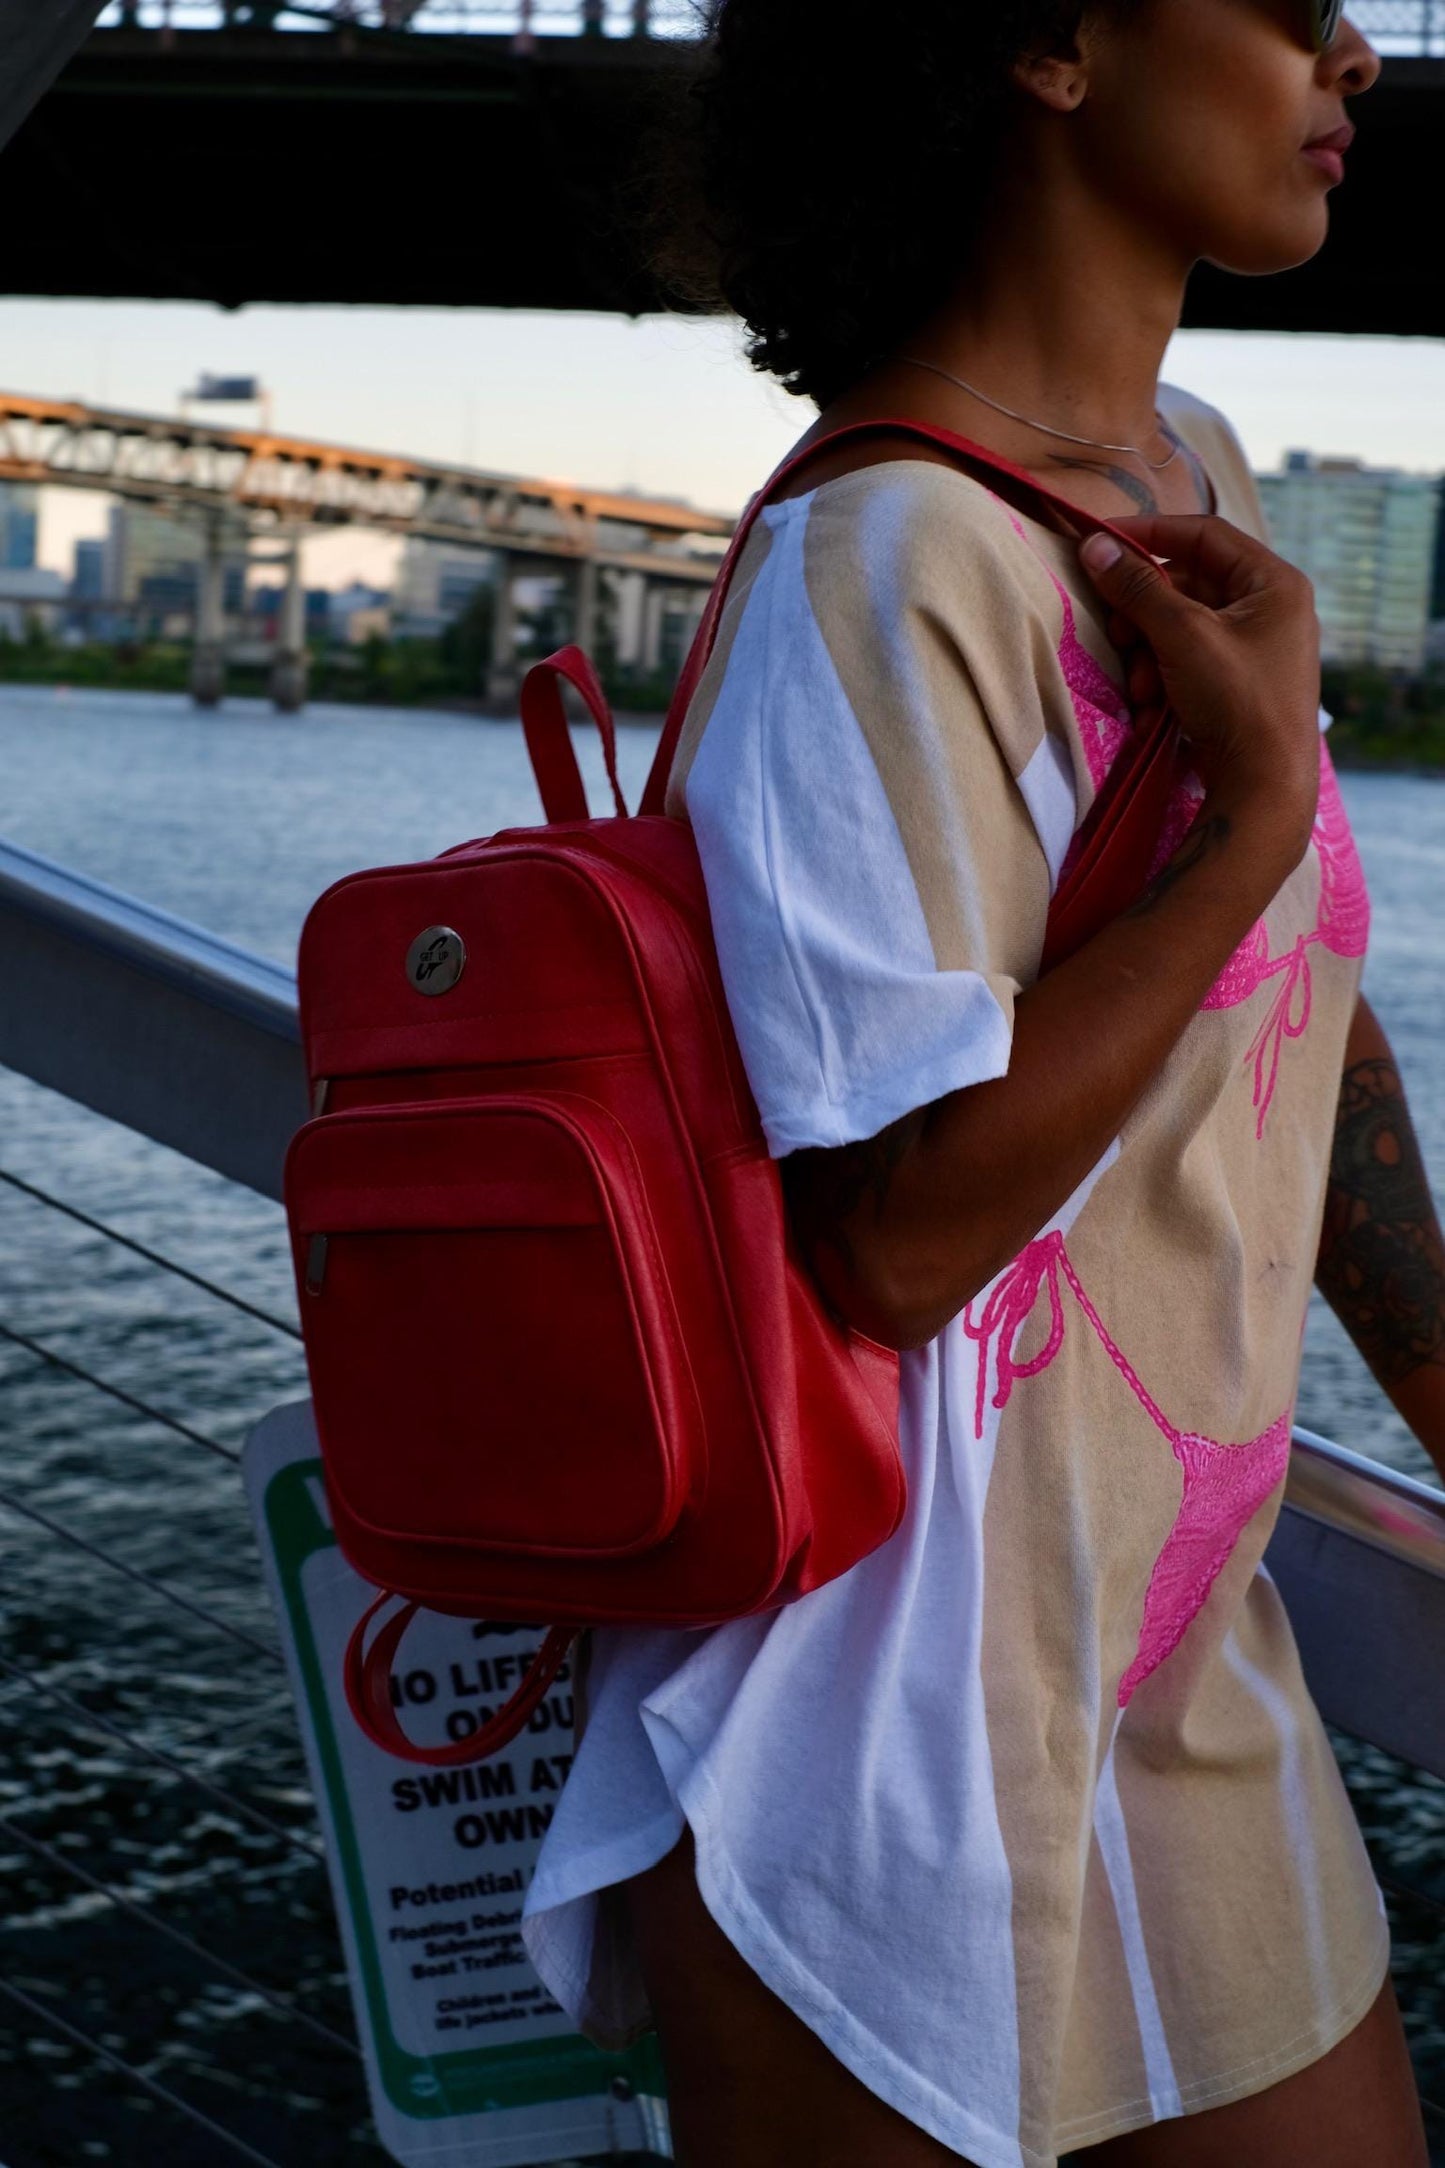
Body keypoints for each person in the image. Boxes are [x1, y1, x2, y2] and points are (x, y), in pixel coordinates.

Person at [521, 5, 1442, 2161]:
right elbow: (900, 1226)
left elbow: (1295, 1024)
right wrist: (1248, 814)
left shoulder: (1183, 474)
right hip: (874, 1734)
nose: (1357, 51)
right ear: (1042, 37)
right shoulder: (886, 564)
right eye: (1289, 2)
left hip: (1171, 1671)